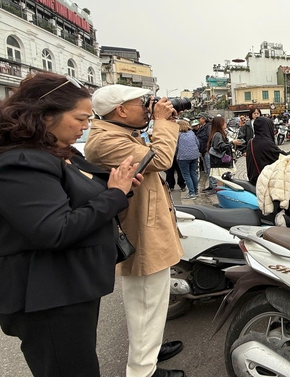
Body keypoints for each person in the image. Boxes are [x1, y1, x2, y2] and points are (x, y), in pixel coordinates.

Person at [0, 73, 140, 377]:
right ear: (45, 115)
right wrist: (115, 194)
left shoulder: (57, 151)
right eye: (80, 117)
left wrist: (118, 183)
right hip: (48, 299)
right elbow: (55, 229)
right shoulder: (21, 161)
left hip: (68, 290)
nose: (86, 125)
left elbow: (84, 188)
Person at [85, 85, 185, 377]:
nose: (146, 107)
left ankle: (147, 351)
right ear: (120, 110)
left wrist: (158, 121)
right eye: (140, 103)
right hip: (140, 232)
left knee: (151, 303)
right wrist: (163, 122)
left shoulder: (120, 133)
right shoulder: (106, 141)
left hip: (148, 226)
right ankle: (142, 370)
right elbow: (162, 159)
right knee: (144, 302)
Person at [246, 117, 290, 185]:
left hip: (253, 179)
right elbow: (283, 157)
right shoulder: (266, 143)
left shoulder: (251, 142)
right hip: (264, 181)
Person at [208, 116, 243, 189]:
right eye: (223, 122)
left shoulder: (219, 134)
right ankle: (222, 199)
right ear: (219, 124)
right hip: (221, 164)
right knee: (222, 185)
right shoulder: (218, 134)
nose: (225, 123)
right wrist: (232, 143)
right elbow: (219, 147)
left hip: (221, 163)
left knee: (223, 184)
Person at [176, 119, 200, 199]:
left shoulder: (178, 134)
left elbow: (176, 147)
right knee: (193, 173)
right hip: (194, 155)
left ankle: (191, 193)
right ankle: (196, 191)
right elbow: (197, 143)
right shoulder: (192, 133)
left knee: (186, 175)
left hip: (183, 157)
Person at [195, 114, 212, 191]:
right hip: (203, 151)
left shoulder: (208, 127)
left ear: (204, 119)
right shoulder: (202, 127)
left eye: (200, 118)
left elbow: (210, 138)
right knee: (206, 170)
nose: (198, 120)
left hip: (207, 151)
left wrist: (208, 149)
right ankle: (211, 185)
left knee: (209, 169)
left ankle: (213, 186)